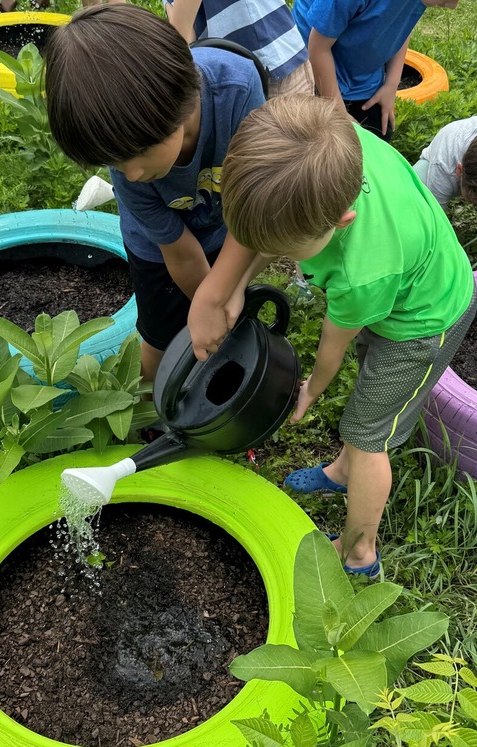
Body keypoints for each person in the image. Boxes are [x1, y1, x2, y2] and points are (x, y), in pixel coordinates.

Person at [187, 94, 477, 577]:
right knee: (368, 382)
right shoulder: (333, 147)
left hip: (426, 322)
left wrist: (311, 390)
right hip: (404, 289)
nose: (287, 262)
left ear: (341, 222)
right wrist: (228, 287)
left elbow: (331, 347)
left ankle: (360, 552)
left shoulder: (362, 270)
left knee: (368, 435)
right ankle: (342, 473)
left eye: (287, 251)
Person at [44, 4, 264, 381]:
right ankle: (153, 405)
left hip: (230, 224)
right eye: (114, 163)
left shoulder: (237, 90)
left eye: (137, 156)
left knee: (226, 306)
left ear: (172, 103)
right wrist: (206, 303)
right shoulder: (130, 168)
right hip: (158, 250)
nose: (130, 174)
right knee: (160, 334)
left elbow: (255, 207)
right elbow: (179, 253)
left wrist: (221, 297)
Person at [291, 0, 460, 142]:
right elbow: (318, 47)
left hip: (361, 70)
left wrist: (391, 85)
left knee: (378, 138)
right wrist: (339, 113)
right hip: (313, 65)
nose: (453, 6)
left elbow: (401, 23)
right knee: (323, 148)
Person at [164, 0, 315, 98]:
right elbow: (184, 36)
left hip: (278, 64)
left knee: (299, 142)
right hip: (228, 82)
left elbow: (181, 36)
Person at [413, 116, 477, 209]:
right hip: (433, 165)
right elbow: (437, 216)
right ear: (459, 170)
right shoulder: (443, 169)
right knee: (417, 198)